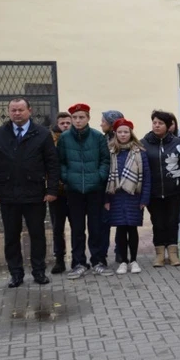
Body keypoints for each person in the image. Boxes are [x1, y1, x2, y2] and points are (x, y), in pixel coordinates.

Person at [0, 98, 60, 287]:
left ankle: (38, 272)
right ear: (9, 111)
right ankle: (16, 274)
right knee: (11, 236)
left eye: (20, 110)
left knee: (37, 235)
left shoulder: (42, 134)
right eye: (13, 110)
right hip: (8, 193)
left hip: (34, 193)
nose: (17, 113)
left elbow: (52, 165)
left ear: (30, 110)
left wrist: (52, 189)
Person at [59, 103, 111, 279]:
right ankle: (79, 263)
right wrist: (67, 177)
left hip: (95, 189)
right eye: (75, 117)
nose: (78, 120)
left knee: (96, 227)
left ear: (88, 118)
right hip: (74, 190)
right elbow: (61, 162)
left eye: (81, 117)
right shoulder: (65, 138)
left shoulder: (97, 137)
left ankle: (98, 261)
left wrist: (99, 176)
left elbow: (105, 160)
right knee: (77, 228)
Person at [143, 111, 180, 267]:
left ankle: (173, 254)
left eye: (161, 123)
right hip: (153, 191)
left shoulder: (178, 143)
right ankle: (159, 254)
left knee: (172, 222)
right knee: (157, 222)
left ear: (169, 126)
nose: (157, 125)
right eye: (154, 122)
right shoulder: (143, 143)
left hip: (174, 191)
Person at [104, 119, 151, 274]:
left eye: (126, 132)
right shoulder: (109, 151)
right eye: (120, 132)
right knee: (120, 229)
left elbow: (146, 177)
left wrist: (144, 199)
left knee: (132, 228)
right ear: (115, 134)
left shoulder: (140, 152)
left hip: (133, 196)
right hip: (116, 196)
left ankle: (134, 261)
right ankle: (123, 261)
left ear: (131, 133)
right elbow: (105, 177)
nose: (123, 135)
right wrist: (106, 199)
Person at [99, 109, 124, 263]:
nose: (101, 123)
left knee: (121, 221)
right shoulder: (101, 140)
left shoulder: (123, 140)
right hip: (104, 186)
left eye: (103, 121)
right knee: (103, 222)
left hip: (121, 186)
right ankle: (102, 254)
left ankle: (120, 251)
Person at [49, 111, 72, 274]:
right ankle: (59, 259)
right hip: (56, 191)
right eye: (62, 123)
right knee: (57, 227)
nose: (65, 125)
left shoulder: (77, 137)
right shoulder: (50, 140)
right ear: (57, 123)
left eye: (67, 123)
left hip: (75, 190)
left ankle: (79, 258)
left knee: (77, 226)